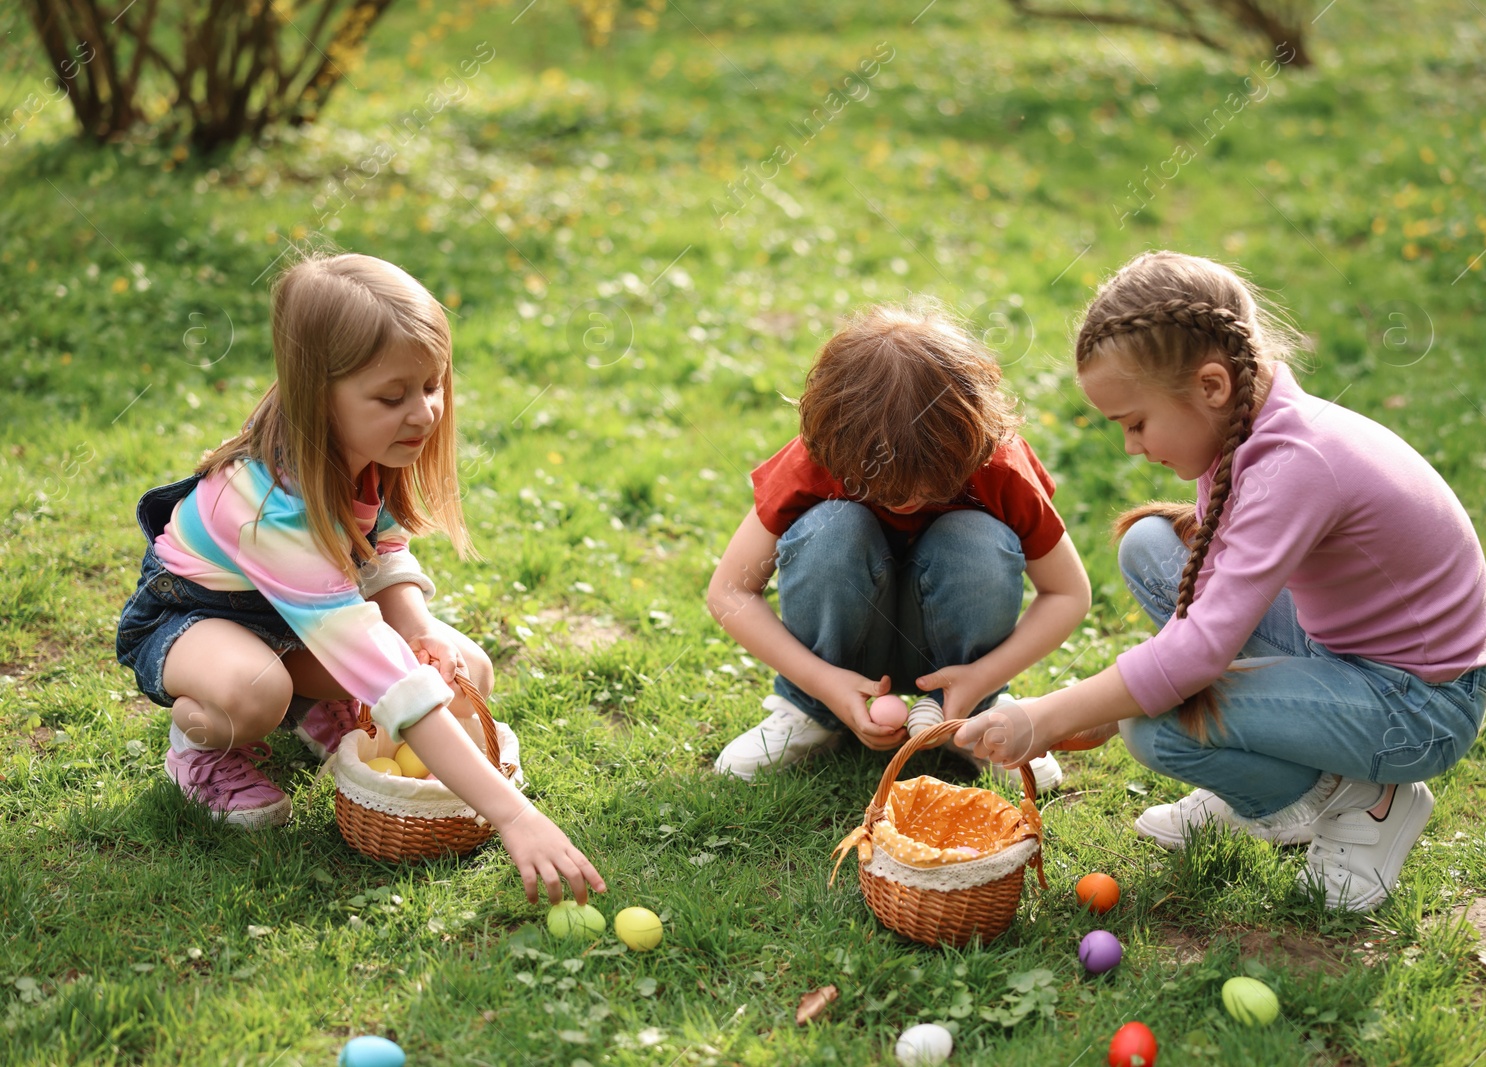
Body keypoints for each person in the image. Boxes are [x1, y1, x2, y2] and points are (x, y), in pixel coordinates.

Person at [955, 251, 1486, 912]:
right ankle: (1274, 765)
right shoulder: (1244, 426)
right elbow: (1207, 601)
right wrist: (1104, 701)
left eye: (1135, 422)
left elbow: (1201, 649)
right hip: (1347, 653)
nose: (1131, 444)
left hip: (1418, 707)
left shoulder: (1293, 464)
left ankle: (1367, 802)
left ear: (1212, 385)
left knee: (1160, 729)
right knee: (1153, 547)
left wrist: (1050, 713)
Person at [115, 253, 604, 905]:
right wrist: (513, 814)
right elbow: (378, 661)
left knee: (468, 671)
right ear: (321, 394)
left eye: (432, 385)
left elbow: (381, 541)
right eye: (393, 395)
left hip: (304, 617)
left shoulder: (362, 445)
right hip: (197, 619)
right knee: (256, 690)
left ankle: (322, 702)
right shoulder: (268, 506)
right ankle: (206, 745)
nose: (426, 413)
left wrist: (422, 627)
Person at [707, 302, 1092, 789]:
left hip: (955, 663)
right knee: (832, 530)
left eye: (930, 487)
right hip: (844, 655)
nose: (906, 502)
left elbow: (1068, 594)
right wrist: (822, 683)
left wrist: (981, 679)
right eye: (879, 488)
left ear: (969, 442)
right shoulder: (822, 454)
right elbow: (729, 591)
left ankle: (973, 720)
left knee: (978, 538)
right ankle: (813, 715)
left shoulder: (996, 463)